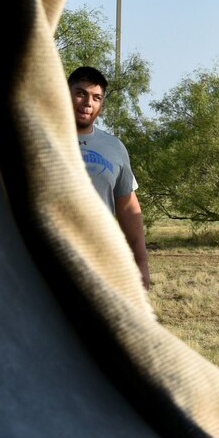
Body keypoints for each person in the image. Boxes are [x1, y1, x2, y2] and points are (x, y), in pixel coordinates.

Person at [70, 65, 153, 290]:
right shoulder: (36, 138)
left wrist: (141, 262)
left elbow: (128, 209)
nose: (88, 103)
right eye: (80, 93)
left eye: (96, 97)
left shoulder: (114, 148)